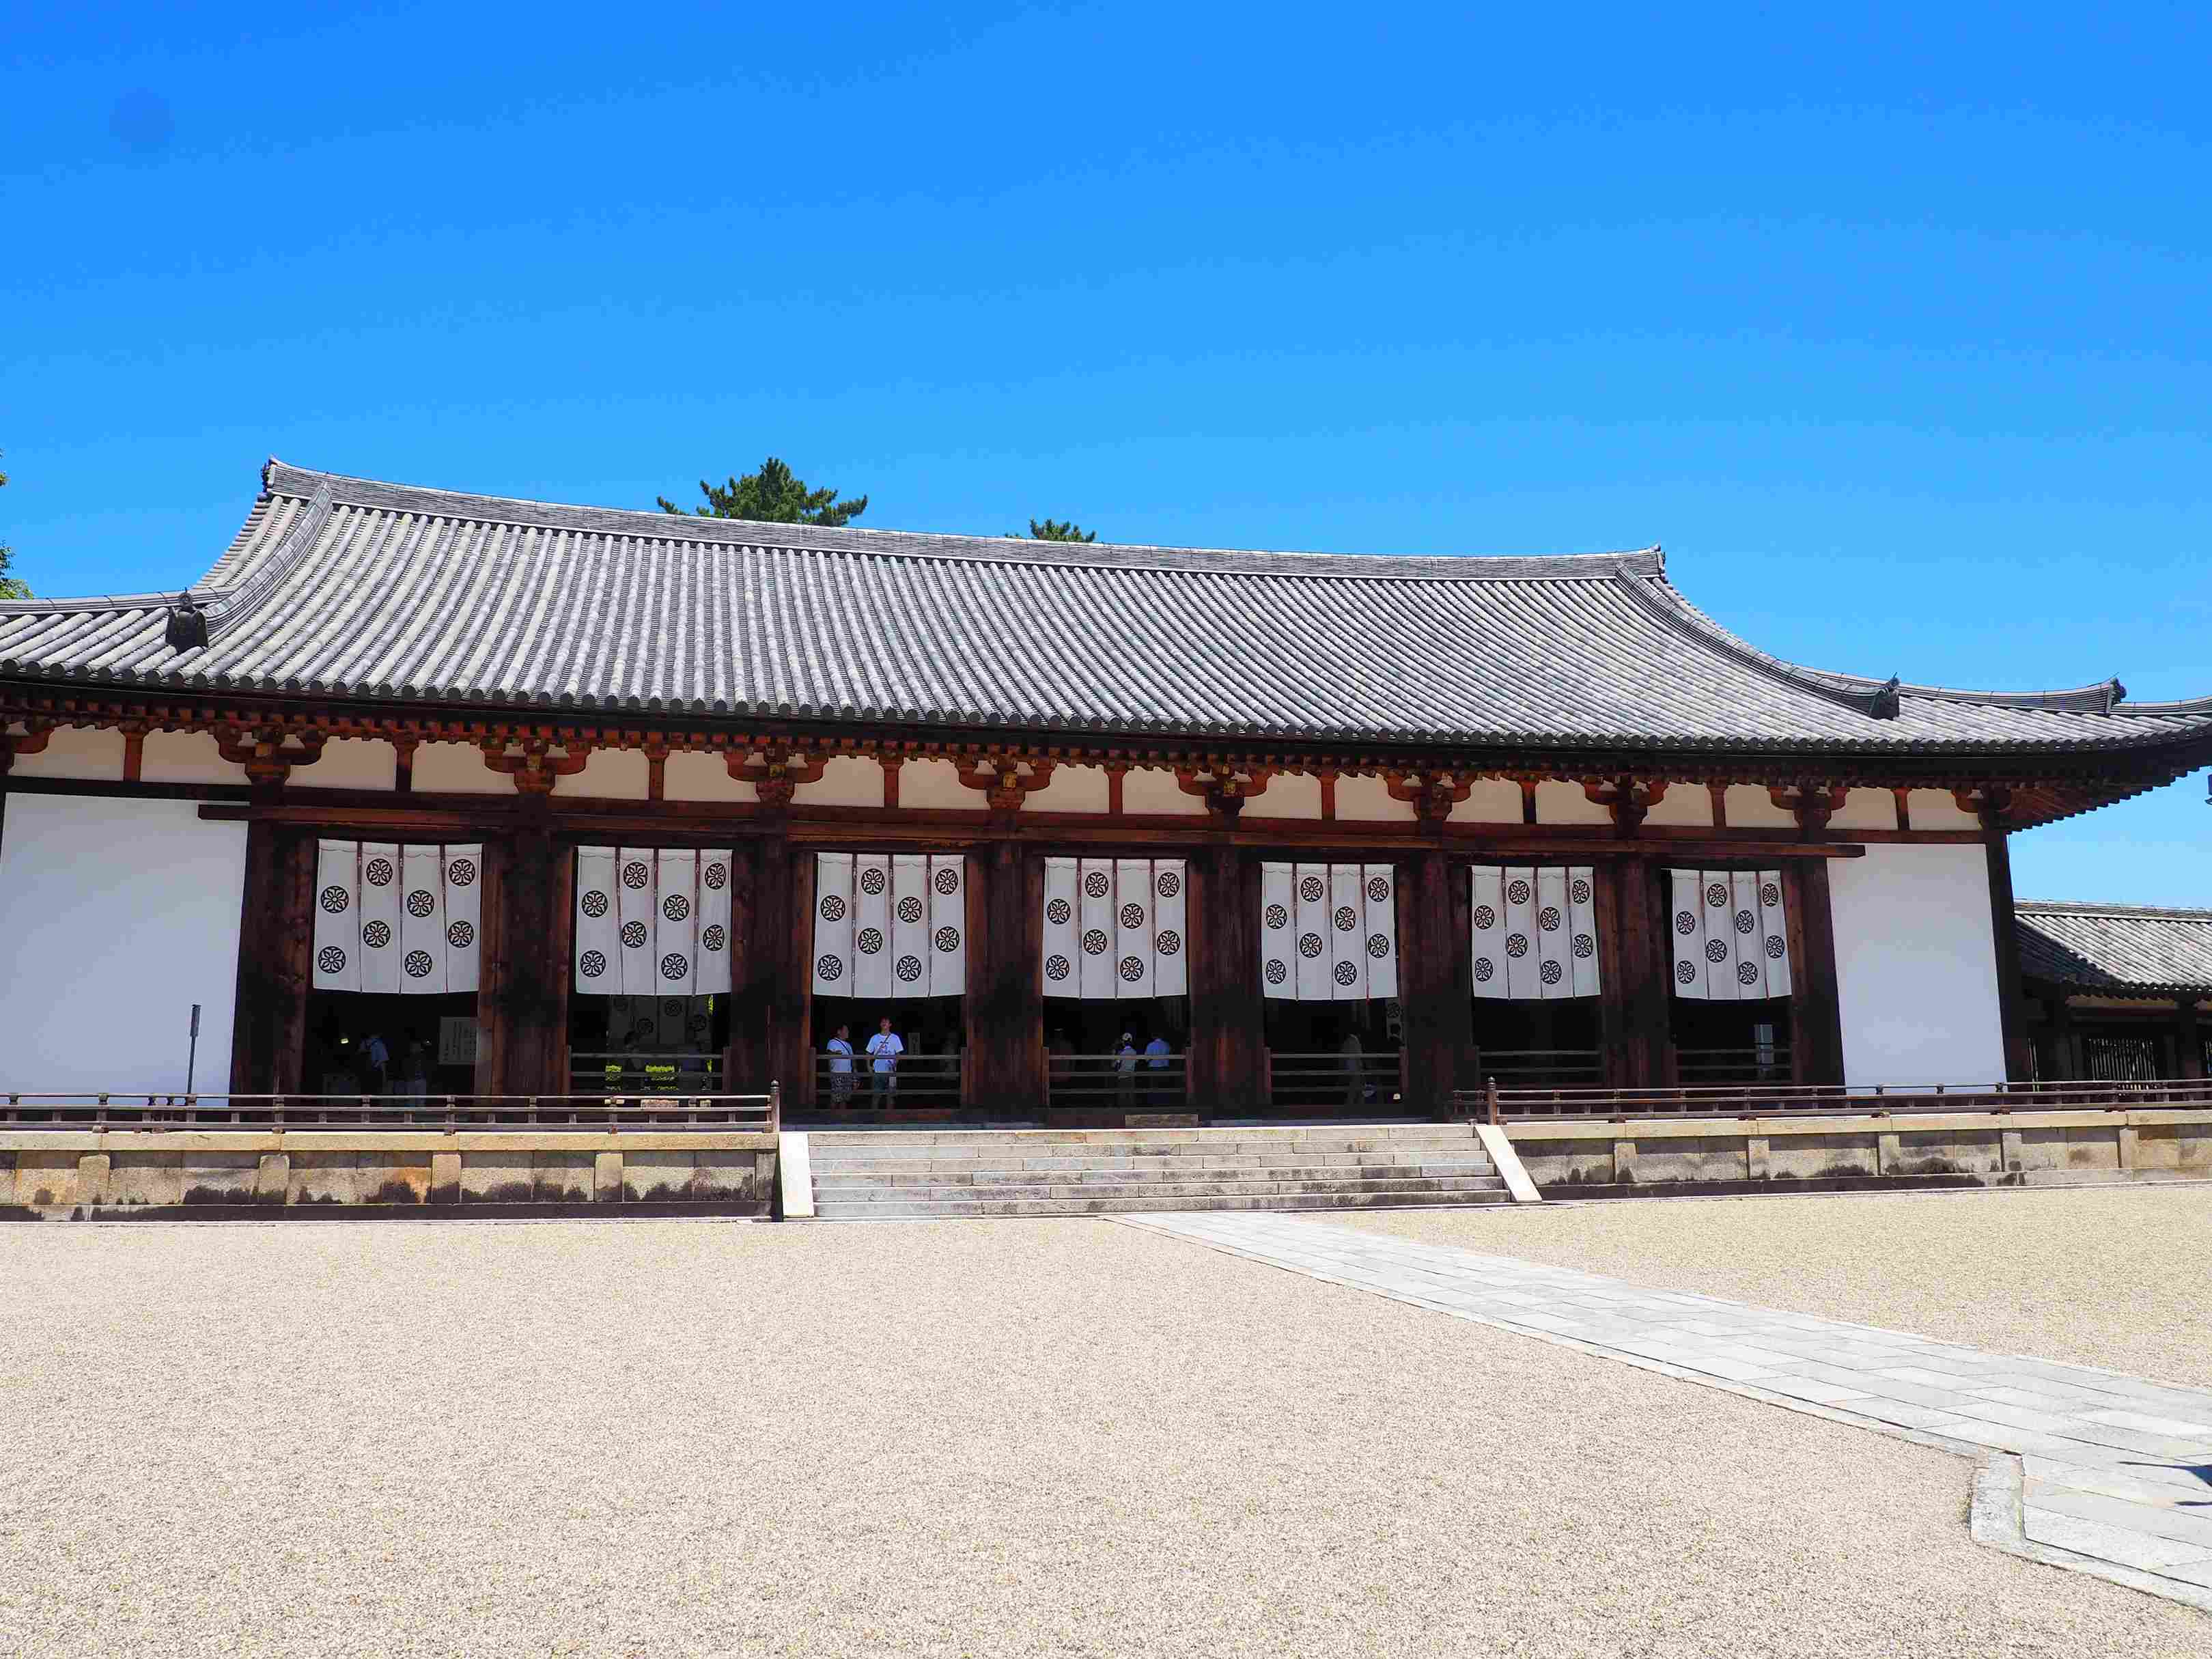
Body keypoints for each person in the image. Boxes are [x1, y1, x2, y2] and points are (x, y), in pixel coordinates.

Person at [866, 1016, 904, 1107]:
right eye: (882, 1022)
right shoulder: (875, 1038)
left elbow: (898, 1054)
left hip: (891, 1071)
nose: (884, 1023)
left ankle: (890, 1115)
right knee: (876, 1096)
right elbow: (868, 1053)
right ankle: (874, 1115)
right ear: (880, 1024)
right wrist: (868, 1066)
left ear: (890, 1025)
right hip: (877, 1071)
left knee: (890, 1097)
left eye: (886, 1022)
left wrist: (895, 1064)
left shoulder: (895, 1038)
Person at [826, 1023, 856, 1104]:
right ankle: (831, 1113)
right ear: (839, 1032)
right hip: (837, 1074)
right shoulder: (832, 1042)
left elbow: (853, 1060)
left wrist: (855, 1073)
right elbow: (829, 1054)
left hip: (848, 1075)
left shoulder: (848, 1045)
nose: (848, 1032)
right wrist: (835, 1054)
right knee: (835, 1099)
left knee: (845, 1099)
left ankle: (842, 1113)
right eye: (846, 1030)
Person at [1339, 1025, 1365, 1109]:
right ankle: (1355, 1108)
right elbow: (1358, 1057)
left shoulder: (1347, 1041)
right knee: (1355, 1091)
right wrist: (1361, 1070)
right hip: (1355, 1069)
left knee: (1354, 1091)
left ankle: (1353, 1107)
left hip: (1349, 1069)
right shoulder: (1355, 1041)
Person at [1143, 1031, 1173, 1107]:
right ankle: (1165, 1103)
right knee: (1164, 1086)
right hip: (1165, 1068)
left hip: (1154, 1068)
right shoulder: (1166, 1044)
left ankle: (1155, 1104)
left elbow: (1146, 1059)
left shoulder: (1151, 1045)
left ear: (1153, 1036)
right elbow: (1170, 1053)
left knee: (1154, 1087)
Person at [1114, 1031, 1138, 1111]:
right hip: (1131, 1075)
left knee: (1122, 1095)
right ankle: (1131, 1112)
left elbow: (1115, 1064)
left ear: (1123, 1042)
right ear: (1131, 1041)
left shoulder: (1122, 1053)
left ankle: (1122, 1112)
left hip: (1122, 1076)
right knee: (1131, 1095)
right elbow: (1136, 1062)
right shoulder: (1134, 1052)